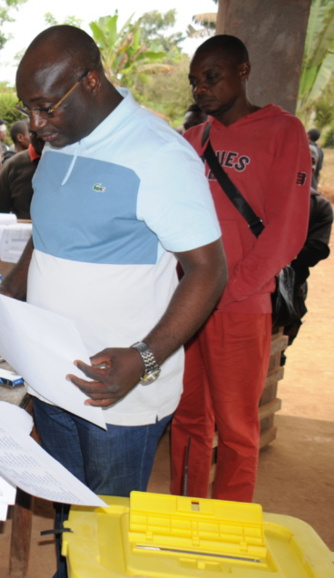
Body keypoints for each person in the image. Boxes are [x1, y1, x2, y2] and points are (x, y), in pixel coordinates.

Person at [0, 24, 226, 498]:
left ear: (90, 80)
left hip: (119, 392)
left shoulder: (159, 154)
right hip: (51, 378)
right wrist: (9, 290)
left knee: (108, 524)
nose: (36, 123)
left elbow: (209, 270)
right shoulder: (57, 143)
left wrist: (144, 358)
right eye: (28, 109)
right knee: (69, 512)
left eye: (47, 107)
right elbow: (47, 235)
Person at [170, 35, 311, 503]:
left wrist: (227, 289)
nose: (201, 88)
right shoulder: (193, 140)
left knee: (236, 428)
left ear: (243, 71)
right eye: (194, 81)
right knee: (188, 419)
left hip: (240, 305)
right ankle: (186, 516)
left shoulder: (283, 131)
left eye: (212, 76)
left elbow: (288, 230)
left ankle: (229, 528)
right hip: (189, 305)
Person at [282, 144, 332, 351]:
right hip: (269, 286)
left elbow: (317, 250)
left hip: (290, 287)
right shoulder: (267, 194)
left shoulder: (320, 206)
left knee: (280, 341)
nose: (308, 165)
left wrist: (280, 258)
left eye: (312, 161)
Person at [0, 121, 45, 219]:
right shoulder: (13, 166)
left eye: (47, 132)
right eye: (33, 133)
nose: (41, 137)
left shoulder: (71, 162)